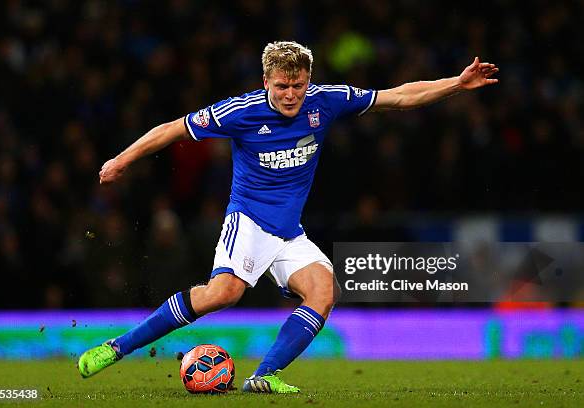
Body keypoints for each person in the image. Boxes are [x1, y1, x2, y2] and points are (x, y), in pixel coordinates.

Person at [77, 41, 498, 393]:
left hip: (288, 232)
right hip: (248, 221)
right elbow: (172, 128)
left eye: (298, 85)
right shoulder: (239, 112)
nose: (291, 94)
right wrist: (121, 159)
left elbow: (399, 96)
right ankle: (118, 346)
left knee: (324, 291)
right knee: (223, 293)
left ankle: (264, 376)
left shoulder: (325, 101)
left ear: (308, 81)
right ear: (266, 82)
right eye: (282, 86)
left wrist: (457, 85)